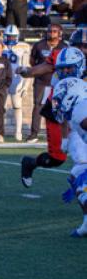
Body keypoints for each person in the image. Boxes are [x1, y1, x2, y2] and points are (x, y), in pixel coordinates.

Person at [20, 44, 85, 189]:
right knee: (57, 158)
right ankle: (31, 163)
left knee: (82, 157)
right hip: (58, 113)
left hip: (80, 110)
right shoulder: (60, 76)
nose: (84, 49)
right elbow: (61, 112)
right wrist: (64, 138)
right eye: (82, 46)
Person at [53, 78, 87, 237]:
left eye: (61, 97)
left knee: (81, 177)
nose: (58, 102)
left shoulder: (81, 111)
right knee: (77, 176)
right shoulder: (78, 112)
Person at [27, 24, 67, 142]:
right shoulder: (39, 45)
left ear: (60, 33)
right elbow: (32, 61)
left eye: (54, 31)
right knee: (38, 106)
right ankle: (34, 134)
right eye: (50, 31)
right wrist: (39, 71)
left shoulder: (64, 46)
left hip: (58, 82)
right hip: (41, 81)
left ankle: (60, 134)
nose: (51, 33)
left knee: (59, 107)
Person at [2, 24, 31, 142]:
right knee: (0, 107)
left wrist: (26, 85)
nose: (11, 39)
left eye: (13, 37)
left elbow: (26, 67)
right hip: (2, 79)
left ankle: (18, 131)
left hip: (16, 79)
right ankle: (0, 131)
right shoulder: (0, 46)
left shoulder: (23, 47)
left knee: (17, 106)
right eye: (9, 37)